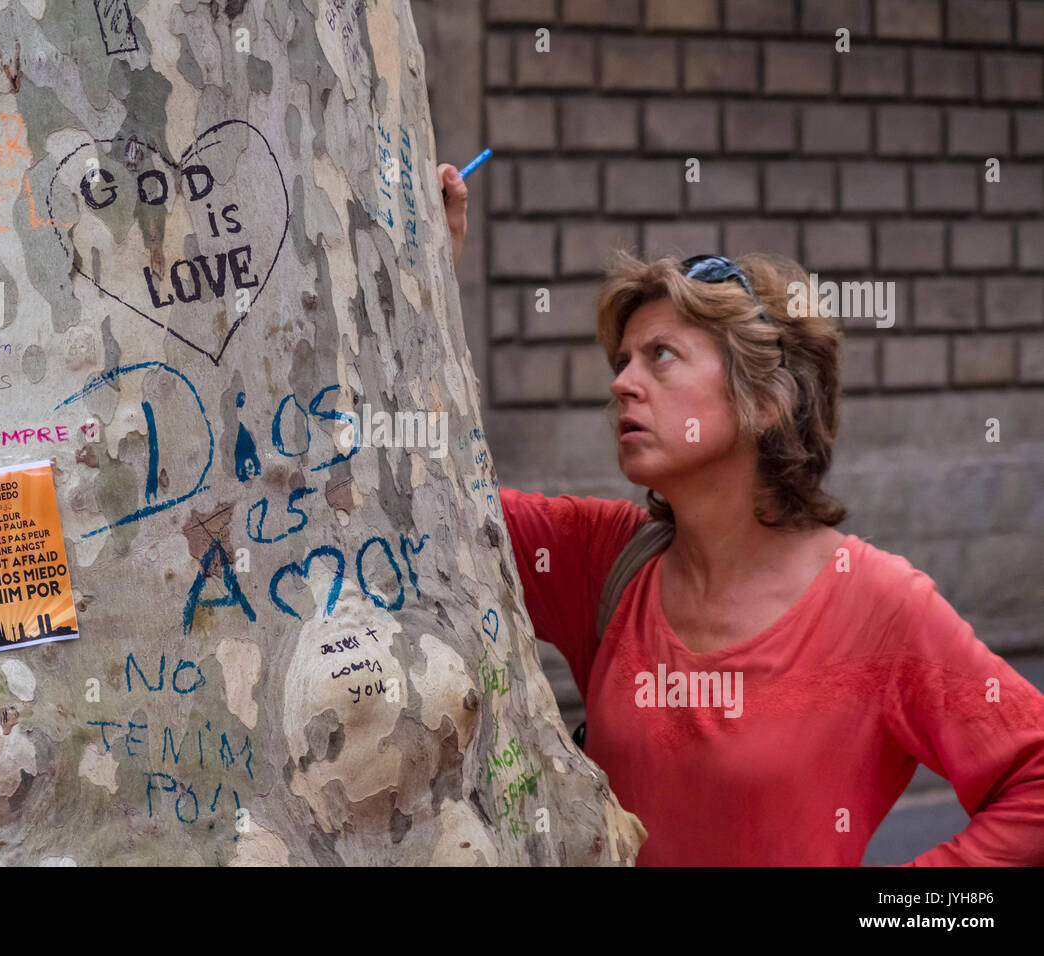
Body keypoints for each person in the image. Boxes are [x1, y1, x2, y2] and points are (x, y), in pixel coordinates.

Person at [437, 163, 1044, 866]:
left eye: (661, 356)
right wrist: (424, 269)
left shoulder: (881, 605)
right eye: (624, 358)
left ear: (766, 400)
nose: (623, 382)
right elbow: (432, 501)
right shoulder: (601, 558)